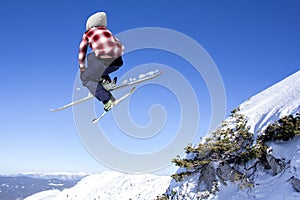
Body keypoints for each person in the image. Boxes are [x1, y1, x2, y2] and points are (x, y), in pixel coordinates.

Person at [78, 12, 124, 111]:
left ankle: (106, 100)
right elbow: (120, 45)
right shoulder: (107, 31)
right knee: (91, 56)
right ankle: (105, 82)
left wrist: (82, 68)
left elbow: (82, 52)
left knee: (85, 79)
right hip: (118, 62)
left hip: (104, 62)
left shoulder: (87, 33)